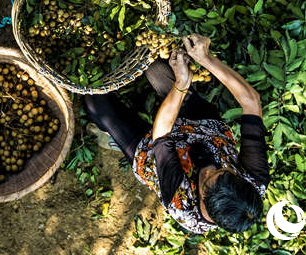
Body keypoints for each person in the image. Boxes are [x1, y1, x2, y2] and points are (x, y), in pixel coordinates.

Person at [82, 34, 270, 234]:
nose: (209, 170)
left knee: (94, 100)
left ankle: (113, 136)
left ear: (206, 207)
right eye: (222, 171)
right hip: (201, 128)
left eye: (206, 181)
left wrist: (181, 85)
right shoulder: (254, 180)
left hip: (154, 150)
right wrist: (206, 58)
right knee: (153, 62)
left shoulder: (182, 204)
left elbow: (161, 136)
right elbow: (251, 102)